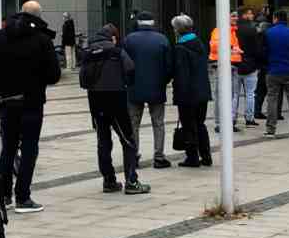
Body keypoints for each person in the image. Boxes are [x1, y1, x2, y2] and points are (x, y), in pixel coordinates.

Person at [0, 0, 61, 213]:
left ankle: (4, 195)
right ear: (38, 16)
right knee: (30, 148)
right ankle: (23, 197)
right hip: (32, 102)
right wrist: (36, 79)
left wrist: (1, 81)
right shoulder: (42, 39)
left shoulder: (0, 35)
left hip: (8, 100)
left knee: (8, 148)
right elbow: (54, 75)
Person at [80, 23, 149, 195]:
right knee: (128, 140)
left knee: (103, 141)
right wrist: (125, 83)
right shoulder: (117, 52)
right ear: (113, 37)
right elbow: (130, 68)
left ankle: (109, 180)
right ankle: (131, 181)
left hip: (95, 101)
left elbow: (82, 81)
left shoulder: (88, 53)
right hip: (116, 98)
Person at [123, 11, 173, 169]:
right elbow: (169, 66)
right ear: (153, 23)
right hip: (156, 88)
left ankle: (133, 156)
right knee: (158, 123)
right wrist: (164, 81)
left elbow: (123, 63)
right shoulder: (162, 39)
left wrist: (127, 82)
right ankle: (159, 157)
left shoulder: (129, 40)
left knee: (133, 124)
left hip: (134, 88)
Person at [170, 14, 211, 168]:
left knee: (188, 125)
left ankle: (192, 157)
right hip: (202, 92)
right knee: (200, 124)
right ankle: (206, 156)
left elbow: (181, 74)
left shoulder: (180, 48)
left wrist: (179, 95)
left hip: (187, 94)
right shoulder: (199, 43)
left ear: (178, 30)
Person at [263, 10, 289, 139]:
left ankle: (270, 130)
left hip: (273, 70)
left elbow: (263, 52)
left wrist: (267, 66)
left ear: (275, 18)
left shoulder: (267, 33)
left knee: (272, 99)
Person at [208, 11, 244, 133]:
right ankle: (220, 123)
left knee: (232, 95)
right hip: (223, 66)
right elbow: (214, 46)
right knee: (221, 95)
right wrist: (232, 48)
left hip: (232, 66)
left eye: (236, 16)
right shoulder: (220, 30)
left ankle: (229, 121)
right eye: (233, 16)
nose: (236, 18)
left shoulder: (233, 31)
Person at [234, 7, 263, 128]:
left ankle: (232, 118)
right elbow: (257, 49)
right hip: (251, 65)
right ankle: (249, 118)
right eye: (250, 14)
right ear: (244, 15)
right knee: (250, 94)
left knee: (234, 94)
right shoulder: (252, 29)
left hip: (235, 65)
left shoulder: (233, 29)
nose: (252, 16)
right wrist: (258, 63)